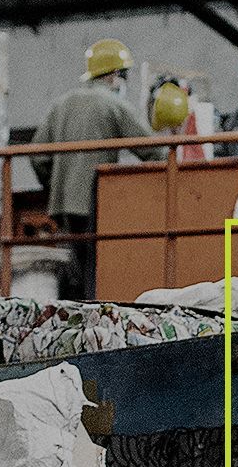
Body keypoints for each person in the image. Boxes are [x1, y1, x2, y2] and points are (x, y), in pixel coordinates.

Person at [30, 38, 165, 300]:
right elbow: (154, 150)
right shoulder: (113, 104)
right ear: (115, 75)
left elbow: (37, 156)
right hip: (96, 203)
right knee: (95, 273)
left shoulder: (62, 104)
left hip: (63, 206)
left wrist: (56, 185)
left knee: (71, 272)